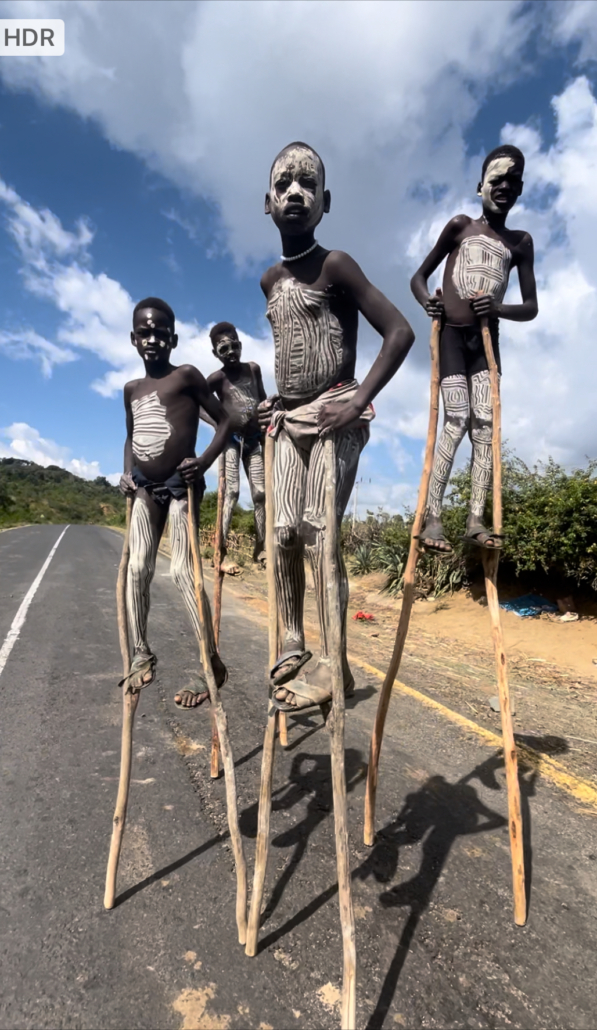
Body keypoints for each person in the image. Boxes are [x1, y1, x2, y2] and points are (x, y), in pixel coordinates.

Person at [258, 141, 414, 713]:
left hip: (335, 412)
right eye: (284, 184)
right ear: (267, 202)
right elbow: (290, 347)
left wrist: (357, 402)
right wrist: (278, 399)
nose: (295, 192)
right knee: (282, 534)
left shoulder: (337, 265)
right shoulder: (270, 279)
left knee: (321, 534)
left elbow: (399, 331)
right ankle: (294, 640)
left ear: (326, 201)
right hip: (290, 417)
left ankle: (336, 664)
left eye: (307, 184)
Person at [410, 144, 538, 553]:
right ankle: (433, 519)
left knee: (485, 425)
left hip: (486, 342)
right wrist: (426, 302)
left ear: (520, 190)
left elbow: (532, 307)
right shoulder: (460, 227)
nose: (504, 187)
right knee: (457, 419)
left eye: (512, 181)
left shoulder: (520, 243)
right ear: (480, 185)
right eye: (496, 179)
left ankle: (475, 518)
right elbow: (419, 277)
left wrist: (496, 307)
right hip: (451, 336)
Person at [119, 297, 230, 708]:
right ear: (133, 339)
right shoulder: (132, 389)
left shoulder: (186, 376)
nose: (152, 340)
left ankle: (210, 662)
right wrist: (127, 472)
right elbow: (131, 436)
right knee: (136, 569)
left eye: (160, 333)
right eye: (145, 333)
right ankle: (141, 652)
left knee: (184, 572)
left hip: (181, 487)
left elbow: (224, 421)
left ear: (174, 338)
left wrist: (202, 463)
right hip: (145, 487)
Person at [206, 322, 267, 564]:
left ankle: (262, 549)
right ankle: (219, 550)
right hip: (230, 440)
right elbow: (198, 401)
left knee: (261, 494)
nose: (231, 352)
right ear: (215, 354)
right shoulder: (217, 379)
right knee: (230, 491)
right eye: (224, 349)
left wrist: (266, 424)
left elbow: (261, 399)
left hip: (253, 441)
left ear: (241, 346)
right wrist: (217, 423)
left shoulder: (253, 369)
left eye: (235, 346)